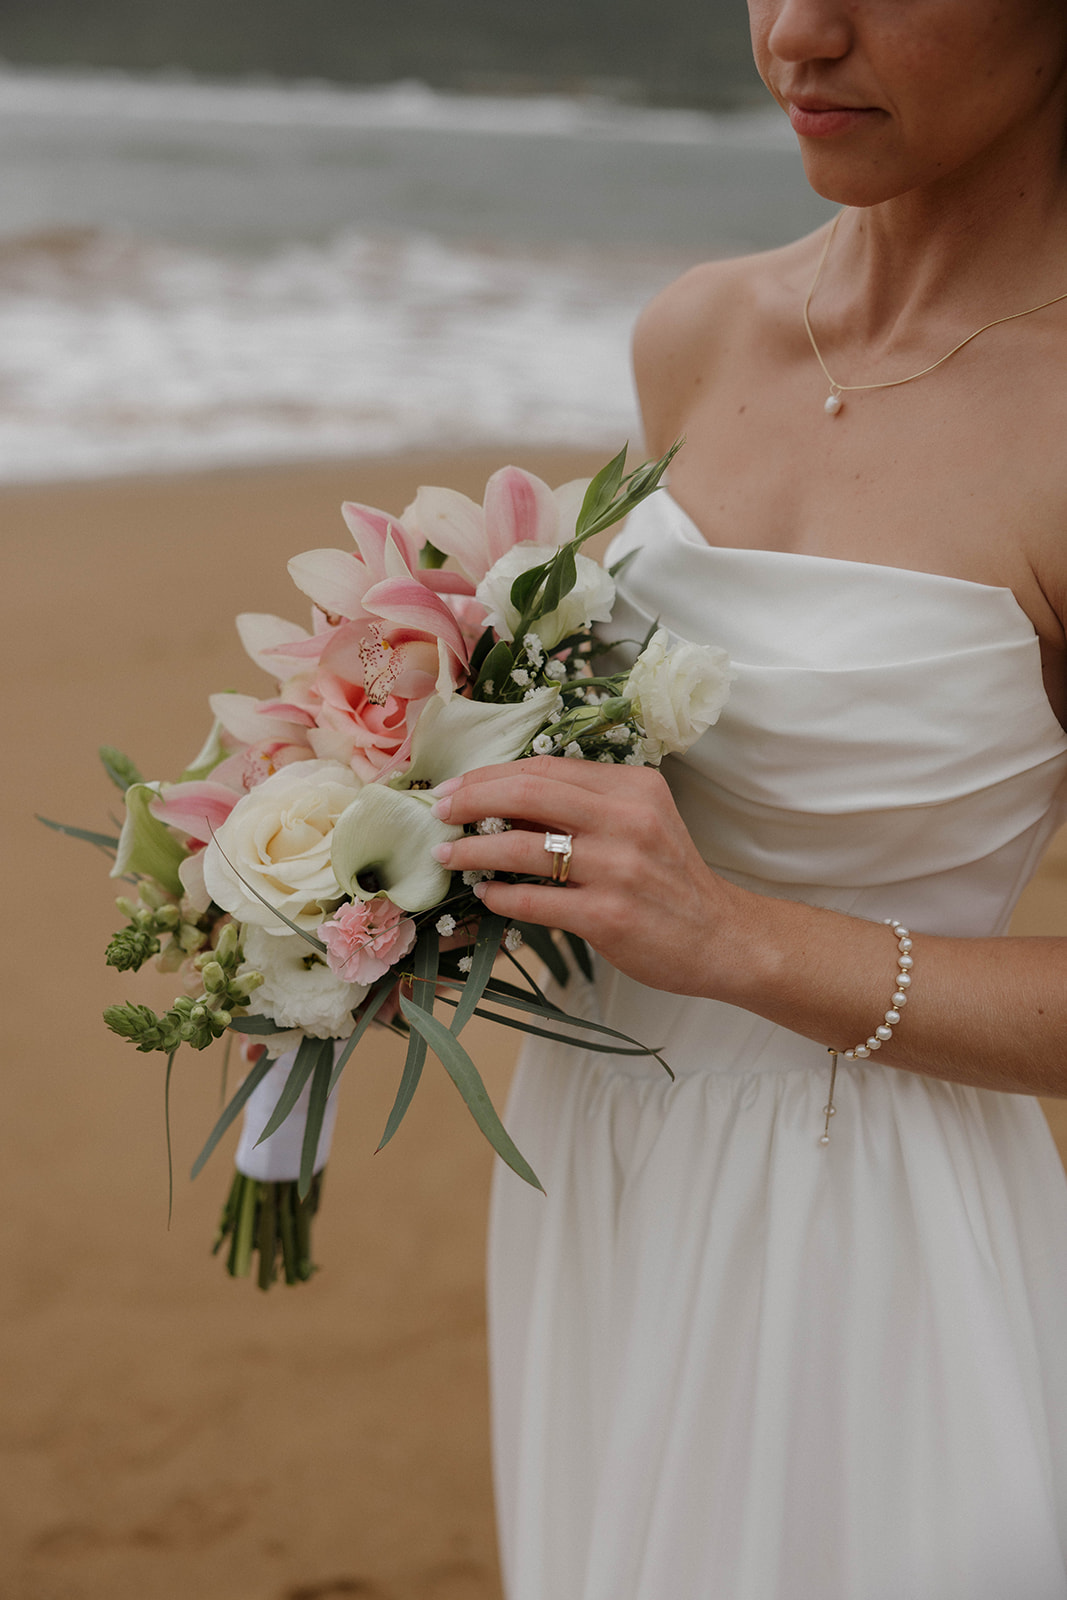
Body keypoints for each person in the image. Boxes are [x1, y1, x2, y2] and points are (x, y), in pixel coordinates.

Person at [428, 2, 1067, 1595]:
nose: (799, 31)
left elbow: (704, 902)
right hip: (605, 1173)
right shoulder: (695, 332)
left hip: (876, 1223)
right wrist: (363, 892)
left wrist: (737, 941)